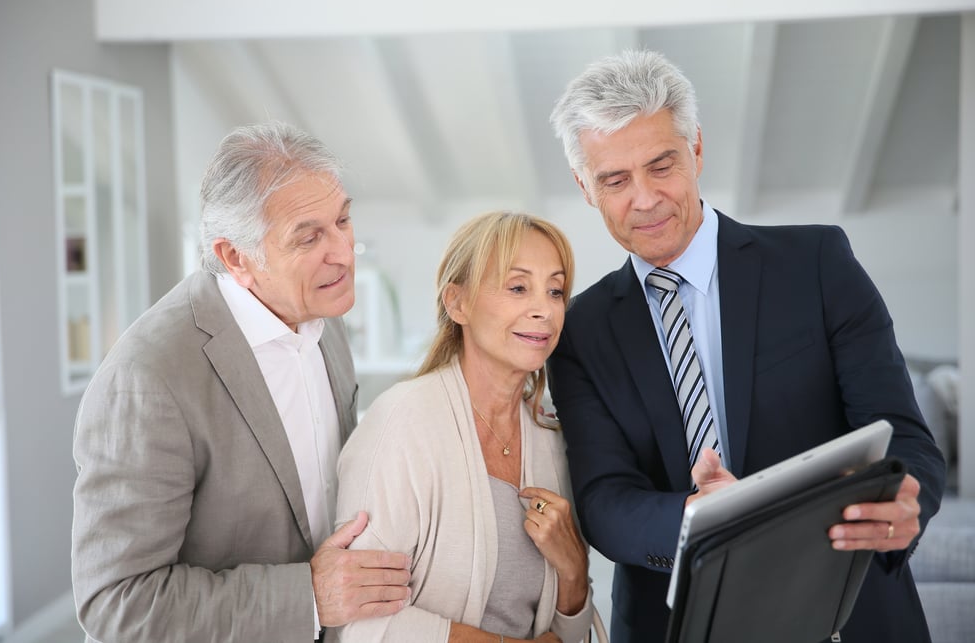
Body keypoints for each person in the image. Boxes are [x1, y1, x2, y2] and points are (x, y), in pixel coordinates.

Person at [546, 49, 946, 642]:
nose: (646, 198)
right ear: (585, 186)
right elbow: (604, 501)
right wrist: (706, 520)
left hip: (847, 611)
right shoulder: (578, 328)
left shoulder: (817, 263)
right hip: (676, 624)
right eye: (615, 180)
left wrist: (905, 498)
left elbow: (906, 438)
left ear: (697, 149)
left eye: (662, 165)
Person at [71, 122, 410, 642]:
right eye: (310, 236)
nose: (344, 252)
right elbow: (119, 602)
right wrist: (309, 599)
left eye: (342, 219)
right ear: (235, 257)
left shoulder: (322, 313)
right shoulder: (146, 379)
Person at [331, 211, 595, 643]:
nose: (544, 310)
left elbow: (571, 629)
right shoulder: (402, 422)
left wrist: (574, 571)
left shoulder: (551, 438)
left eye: (555, 290)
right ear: (458, 303)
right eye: (517, 287)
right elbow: (362, 624)